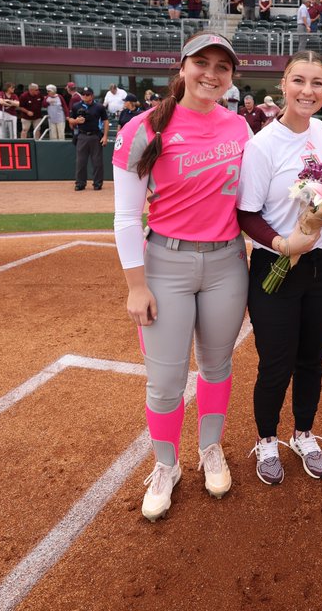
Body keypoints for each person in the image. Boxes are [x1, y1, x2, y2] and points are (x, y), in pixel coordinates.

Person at [113, 33, 251, 520]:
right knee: (165, 379)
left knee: (216, 366)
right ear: (183, 66)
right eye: (202, 63)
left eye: (222, 66)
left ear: (232, 76)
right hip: (165, 265)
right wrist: (135, 285)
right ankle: (165, 464)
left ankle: (209, 448)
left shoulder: (240, 128)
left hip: (227, 263)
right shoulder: (144, 127)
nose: (211, 74)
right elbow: (127, 217)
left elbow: (252, 201)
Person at [235, 51, 322, 488]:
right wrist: (282, 243)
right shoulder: (262, 145)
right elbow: (247, 213)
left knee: (312, 360)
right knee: (275, 363)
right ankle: (266, 439)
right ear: (283, 84)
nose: (308, 91)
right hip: (276, 263)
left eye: (317, 83)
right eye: (299, 81)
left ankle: (302, 433)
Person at [68, 87, 108, 190]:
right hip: (82, 135)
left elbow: (105, 121)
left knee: (97, 162)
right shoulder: (76, 106)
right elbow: (70, 120)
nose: (85, 96)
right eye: (83, 94)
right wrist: (76, 121)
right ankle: (80, 184)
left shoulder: (99, 107)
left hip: (95, 135)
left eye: (87, 94)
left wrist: (105, 136)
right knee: (81, 162)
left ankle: (97, 184)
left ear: (92, 95)